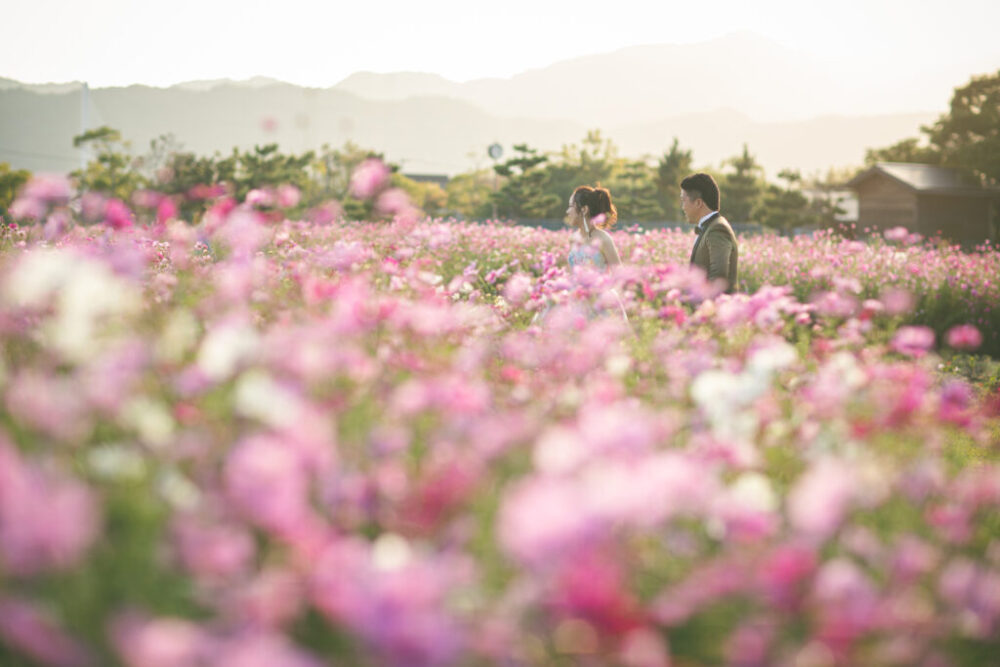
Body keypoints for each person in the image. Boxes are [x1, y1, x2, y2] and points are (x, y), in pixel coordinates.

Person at [681, 173, 739, 294]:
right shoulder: (710, 227)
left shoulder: (717, 228)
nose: (683, 207)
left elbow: (719, 278)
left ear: (698, 203)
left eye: (683, 200)